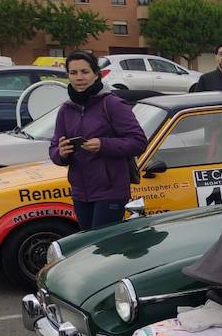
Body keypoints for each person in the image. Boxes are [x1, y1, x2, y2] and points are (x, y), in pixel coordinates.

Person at [49, 51, 149, 231]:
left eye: (85, 72)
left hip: (111, 191)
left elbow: (138, 142)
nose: (79, 77)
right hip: (81, 192)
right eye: (73, 73)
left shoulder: (112, 104)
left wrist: (103, 145)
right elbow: (54, 149)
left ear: (96, 74)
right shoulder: (65, 109)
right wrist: (61, 153)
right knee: (88, 248)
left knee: (103, 249)